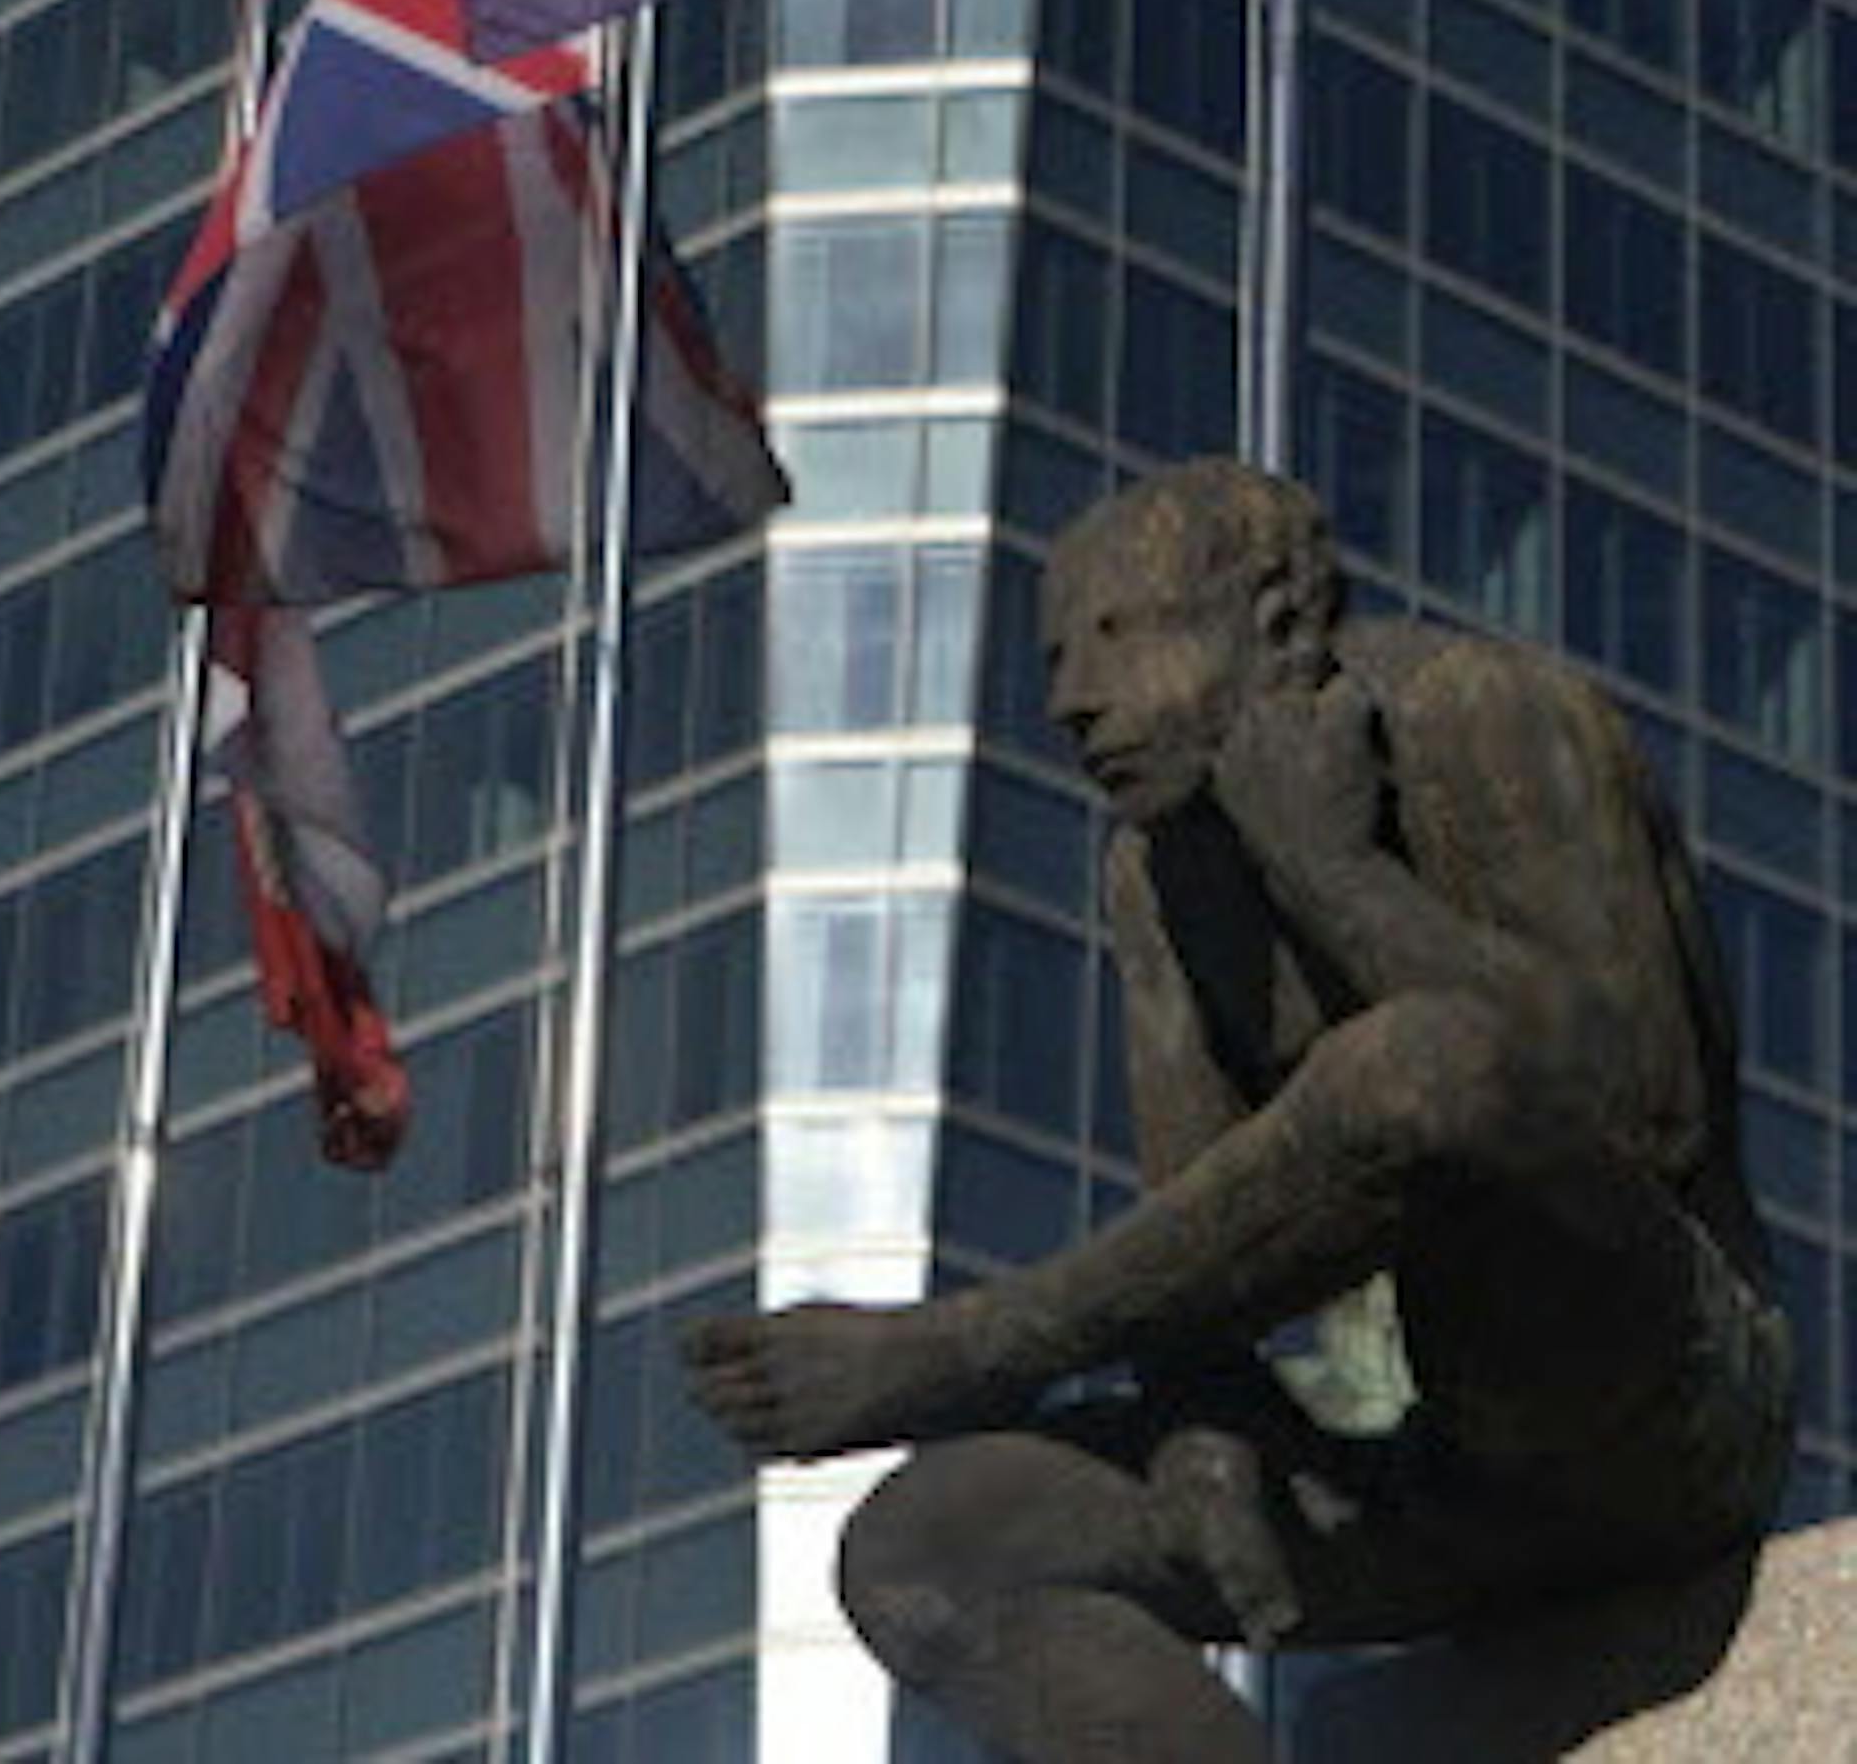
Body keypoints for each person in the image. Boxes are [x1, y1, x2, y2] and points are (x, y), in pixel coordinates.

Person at [681, 461, 1793, 1761]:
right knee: (930, 1544)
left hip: (1658, 1418)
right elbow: (1201, 1238)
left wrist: (1330, 867)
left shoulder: (1487, 714)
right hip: (1432, 1475)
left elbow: (1637, 1103)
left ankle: (962, 1344)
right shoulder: (1155, 874)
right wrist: (1208, 1430)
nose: (1071, 699)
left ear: (1271, 617)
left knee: (1415, 1063)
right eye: (1053, 659)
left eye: (1115, 635)